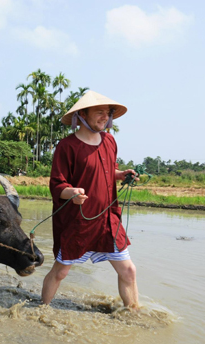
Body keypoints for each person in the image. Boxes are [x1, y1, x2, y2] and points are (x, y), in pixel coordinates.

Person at [41, 91, 140, 309]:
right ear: (82, 115)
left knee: (129, 270)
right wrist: (72, 193)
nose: (105, 117)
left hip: (107, 219)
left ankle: (134, 313)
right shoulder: (67, 146)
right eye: (99, 113)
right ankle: (41, 309)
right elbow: (57, 185)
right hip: (78, 221)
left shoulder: (109, 141)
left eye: (108, 113)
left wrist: (121, 174)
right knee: (61, 271)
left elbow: (106, 170)